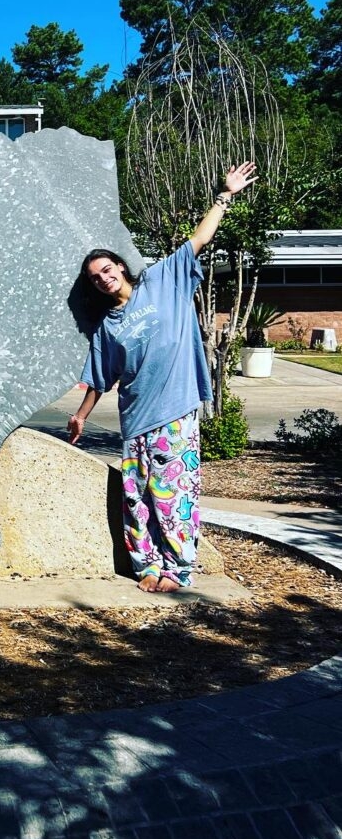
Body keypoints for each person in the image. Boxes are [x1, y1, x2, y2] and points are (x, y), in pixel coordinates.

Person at [67, 163, 258, 593]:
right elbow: (100, 378)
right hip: (134, 418)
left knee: (172, 491)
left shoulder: (161, 280)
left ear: (121, 266)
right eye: (95, 278)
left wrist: (224, 195)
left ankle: (177, 568)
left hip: (175, 408)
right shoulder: (107, 326)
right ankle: (147, 565)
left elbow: (200, 238)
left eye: (107, 269)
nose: (104, 278)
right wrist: (80, 416)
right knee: (137, 497)